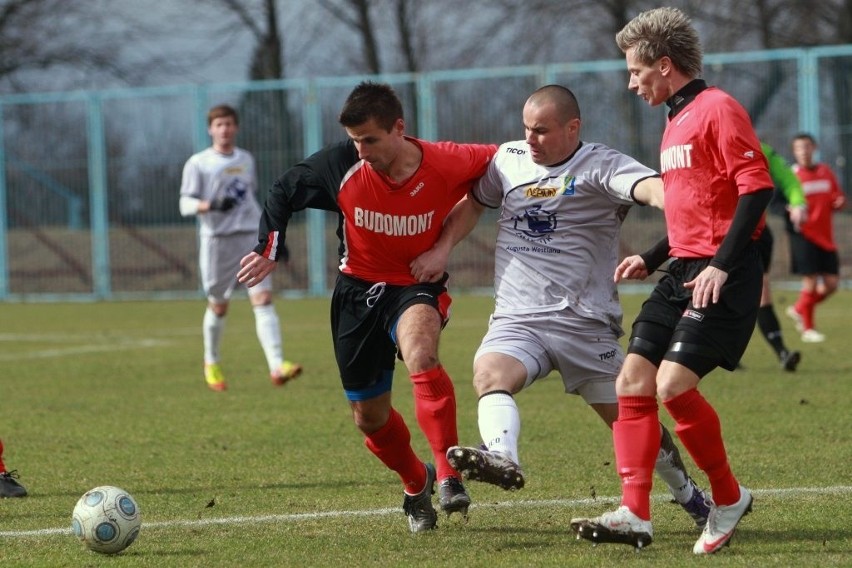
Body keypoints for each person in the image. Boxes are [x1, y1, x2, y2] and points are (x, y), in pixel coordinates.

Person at [410, 84, 710, 530]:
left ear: (573, 128)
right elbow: (474, 204)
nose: (530, 139)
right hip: (519, 317)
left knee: (632, 418)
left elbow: (649, 187)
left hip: (585, 324)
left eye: (542, 131)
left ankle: (688, 494)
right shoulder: (507, 161)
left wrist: (678, 200)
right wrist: (442, 250)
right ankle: (502, 457)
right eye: (527, 129)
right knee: (489, 373)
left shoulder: (602, 164)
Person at [237, 82, 497, 533]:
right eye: (355, 140)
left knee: (422, 353)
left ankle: (449, 474)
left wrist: (443, 247)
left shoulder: (447, 160)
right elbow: (284, 189)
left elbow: (508, 161)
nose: (361, 150)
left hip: (415, 285)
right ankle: (417, 483)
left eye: (370, 139)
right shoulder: (342, 164)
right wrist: (269, 248)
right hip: (356, 294)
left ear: (400, 128)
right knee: (369, 417)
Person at [569, 7, 774, 554]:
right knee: (631, 382)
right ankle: (633, 512)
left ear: (664, 65)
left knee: (672, 386)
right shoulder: (674, 118)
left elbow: (756, 190)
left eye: (636, 71)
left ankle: (727, 497)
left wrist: (721, 265)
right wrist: (654, 255)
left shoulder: (718, 108)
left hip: (722, 273)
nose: (631, 82)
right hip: (682, 268)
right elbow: (697, 205)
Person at [180, 104, 302, 391]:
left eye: (229, 124)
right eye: (219, 124)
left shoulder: (246, 159)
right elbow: (185, 203)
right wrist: (210, 205)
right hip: (217, 241)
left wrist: (274, 239)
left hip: (249, 236)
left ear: (236, 127)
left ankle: (277, 366)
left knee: (262, 298)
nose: (224, 129)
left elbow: (251, 201)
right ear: (211, 129)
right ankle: (211, 362)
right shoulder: (198, 163)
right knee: (219, 305)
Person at [785, 133, 846, 343]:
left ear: (815, 148)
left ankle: (798, 308)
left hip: (825, 236)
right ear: (794, 152)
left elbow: (838, 197)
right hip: (804, 235)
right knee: (810, 281)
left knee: (831, 284)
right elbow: (781, 204)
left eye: (807, 147)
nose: (804, 151)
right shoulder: (791, 175)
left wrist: (838, 202)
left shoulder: (826, 172)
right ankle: (808, 329)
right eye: (799, 148)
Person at [753, 142, 807, 370]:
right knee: (710, 293)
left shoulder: (759, 148)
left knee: (762, 289)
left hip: (755, 230)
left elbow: (787, 178)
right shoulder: (699, 146)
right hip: (714, 232)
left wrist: (798, 203)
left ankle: (782, 352)